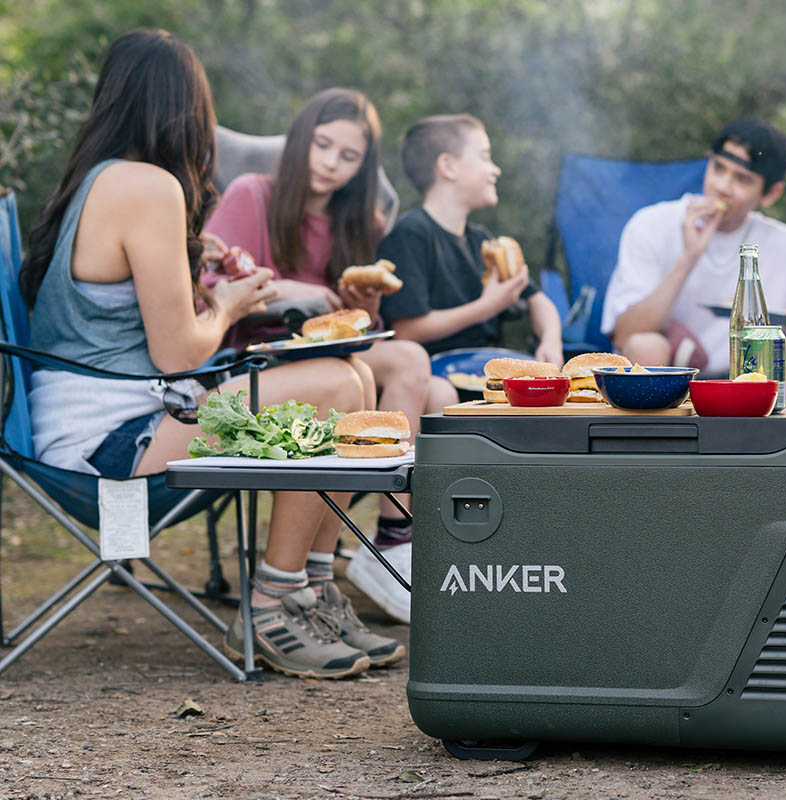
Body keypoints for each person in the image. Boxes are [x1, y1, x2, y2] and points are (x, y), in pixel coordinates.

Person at [21, 29, 403, 679]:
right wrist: (230, 305)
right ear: (184, 109)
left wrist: (194, 266)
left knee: (357, 375)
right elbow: (177, 355)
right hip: (112, 438)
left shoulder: (103, 180)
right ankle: (273, 606)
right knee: (337, 386)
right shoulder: (148, 188)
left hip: (107, 418)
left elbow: (126, 310)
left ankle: (309, 590)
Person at [205, 88, 439, 617]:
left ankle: (394, 536)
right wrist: (288, 290)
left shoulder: (362, 225)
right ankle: (383, 542)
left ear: (363, 167)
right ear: (300, 142)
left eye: (348, 156)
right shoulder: (252, 194)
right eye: (322, 145)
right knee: (377, 368)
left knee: (410, 361)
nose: (330, 164)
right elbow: (207, 278)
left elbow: (365, 329)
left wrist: (364, 305)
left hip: (335, 360)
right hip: (257, 360)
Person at [361, 113, 564, 621]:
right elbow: (406, 331)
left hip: (485, 372)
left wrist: (551, 341)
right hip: (436, 373)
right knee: (440, 397)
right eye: (485, 156)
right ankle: (398, 538)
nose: (495, 169)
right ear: (447, 166)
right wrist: (489, 305)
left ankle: (510, 556)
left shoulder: (483, 241)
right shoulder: (411, 235)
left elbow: (535, 298)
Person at [599, 117, 786, 402]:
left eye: (742, 179)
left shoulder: (783, 243)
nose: (722, 186)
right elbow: (625, 334)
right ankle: (662, 444)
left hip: (764, 384)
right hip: (680, 386)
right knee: (645, 345)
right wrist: (689, 257)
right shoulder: (652, 224)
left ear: (771, 193)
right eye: (718, 168)